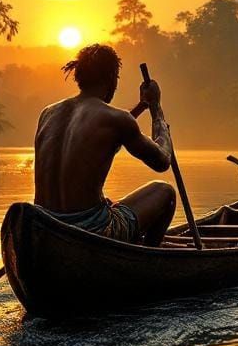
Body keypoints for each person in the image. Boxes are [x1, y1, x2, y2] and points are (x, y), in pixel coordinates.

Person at [33, 44, 176, 245]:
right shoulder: (116, 120)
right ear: (111, 79)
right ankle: (146, 259)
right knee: (165, 192)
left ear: (78, 76)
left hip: (46, 226)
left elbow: (105, 137)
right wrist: (156, 110)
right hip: (92, 231)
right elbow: (162, 161)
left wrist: (142, 105)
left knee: (109, 202)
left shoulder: (48, 113)